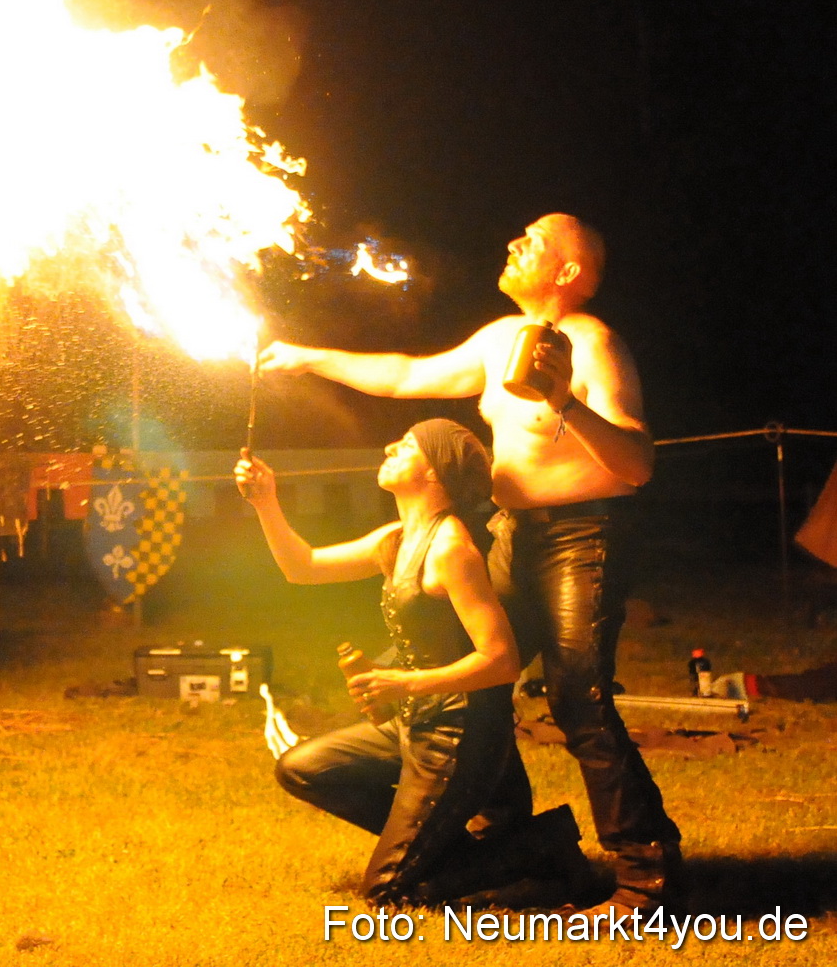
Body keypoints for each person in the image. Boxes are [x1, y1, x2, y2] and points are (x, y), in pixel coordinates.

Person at [257, 213, 681, 912]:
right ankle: (510, 834)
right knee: (471, 673)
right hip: (515, 534)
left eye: (532, 241)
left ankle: (646, 876)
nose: (512, 243)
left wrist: (562, 402)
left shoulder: (592, 345)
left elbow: (636, 464)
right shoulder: (498, 338)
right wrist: (308, 357)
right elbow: (404, 374)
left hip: (584, 537)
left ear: (568, 271)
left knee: (578, 697)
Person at [239, 420, 543, 904]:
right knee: (301, 768)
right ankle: (468, 850)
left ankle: (531, 855)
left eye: (405, 446)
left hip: (458, 734)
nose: (388, 447)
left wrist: (404, 684)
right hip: (414, 722)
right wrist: (265, 502)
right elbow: (303, 566)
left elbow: (501, 660)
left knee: (384, 894)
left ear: (435, 473)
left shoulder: (451, 550)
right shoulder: (398, 538)